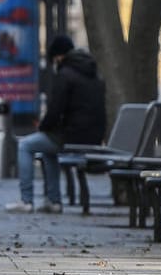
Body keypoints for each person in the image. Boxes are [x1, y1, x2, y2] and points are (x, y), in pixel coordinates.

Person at [8, 33, 106, 214]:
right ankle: (53, 201)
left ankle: (26, 200)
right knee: (47, 149)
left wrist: (43, 127)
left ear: (58, 56)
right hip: (93, 137)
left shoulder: (65, 74)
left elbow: (55, 110)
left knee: (25, 145)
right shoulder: (93, 73)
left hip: (72, 135)